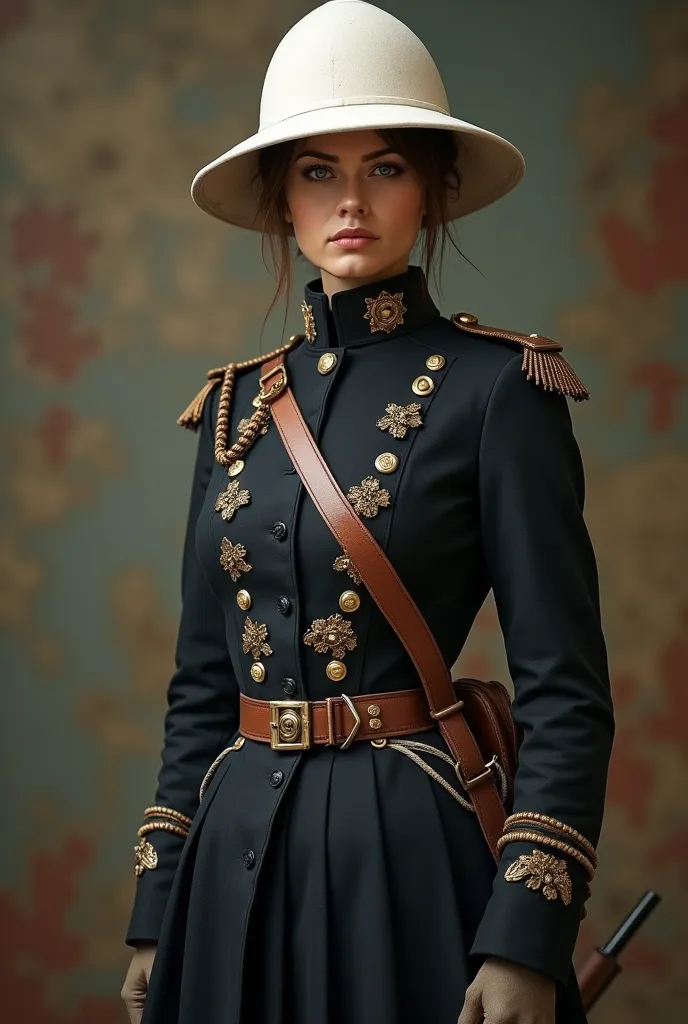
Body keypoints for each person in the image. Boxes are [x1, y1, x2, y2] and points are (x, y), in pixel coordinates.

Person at [121, 3, 614, 1023]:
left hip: (404, 862)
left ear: (432, 190)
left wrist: (526, 938)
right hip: (228, 871)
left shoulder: (501, 392)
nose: (351, 200)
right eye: (317, 171)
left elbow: (564, 691)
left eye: (385, 168)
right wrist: (157, 903)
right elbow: (201, 689)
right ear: (281, 200)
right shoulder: (231, 411)